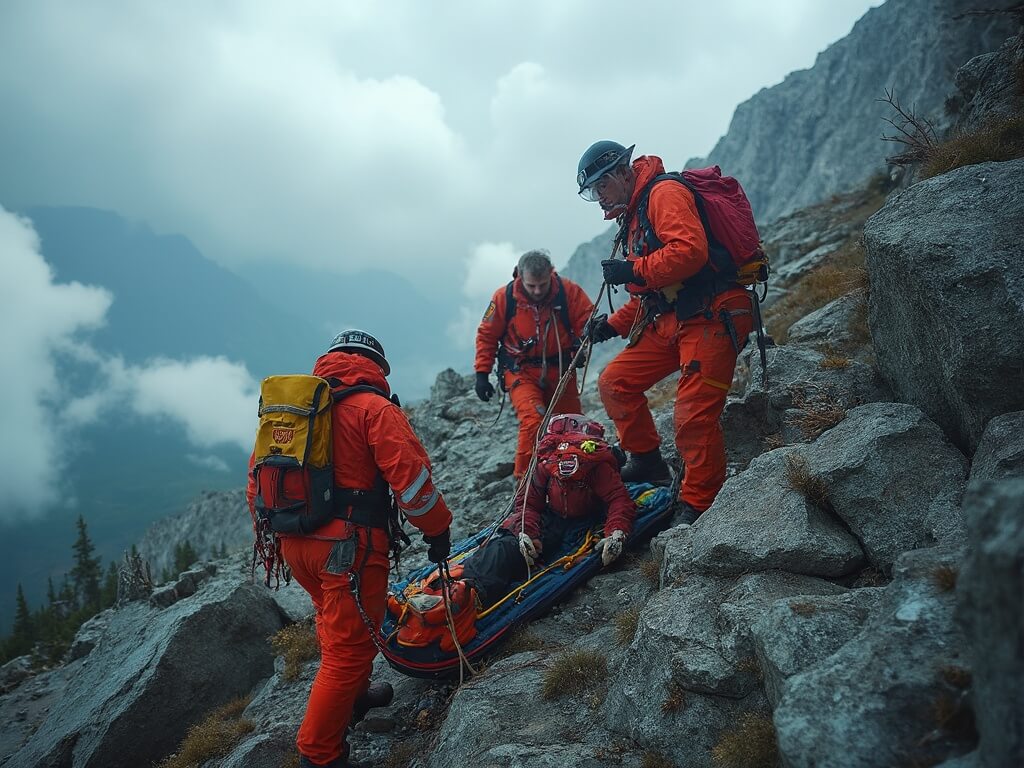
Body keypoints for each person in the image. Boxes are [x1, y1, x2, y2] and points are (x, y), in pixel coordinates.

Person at [247, 329, 453, 768]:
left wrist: (282, 538)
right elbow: (413, 485)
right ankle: (319, 755)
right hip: (348, 551)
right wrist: (438, 531)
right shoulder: (375, 409)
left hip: (293, 545)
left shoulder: (293, 413)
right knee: (348, 650)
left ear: (331, 360)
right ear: (376, 367)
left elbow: (257, 484)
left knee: (335, 620)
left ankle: (356, 698)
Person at [576, 141, 754, 524]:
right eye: (592, 192)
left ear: (621, 174)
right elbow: (652, 293)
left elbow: (690, 252)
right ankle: (647, 461)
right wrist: (611, 325)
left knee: (691, 416)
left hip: (714, 314)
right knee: (615, 382)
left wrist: (633, 271)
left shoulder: (664, 195)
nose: (599, 198)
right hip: (677, 319)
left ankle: (699, 505)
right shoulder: (635, 214)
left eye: (600, 188)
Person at [461, 413, 636, 607]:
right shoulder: (588, 464)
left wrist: (615, 532)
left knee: (502, 549)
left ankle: (471, 594)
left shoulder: (555, 463)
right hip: (553, 518)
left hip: (586, 523)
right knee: (506, 547)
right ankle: (471, 591)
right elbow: (528, 503)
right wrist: (527, 532)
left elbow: (618, 500)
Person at [474, 249, 595, 483]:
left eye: (542, 284)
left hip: (561, 370)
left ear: (552, 273)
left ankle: (574, 481)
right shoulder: (504, 298)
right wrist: (482, 373)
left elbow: (589, 322)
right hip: (521, 371)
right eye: (532, 286)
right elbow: (487, 335)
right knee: (533, 420)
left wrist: (582, 345)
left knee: (571, 425)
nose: (538, 291)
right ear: (519, 276)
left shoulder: (568, 292)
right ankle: (525, 486)